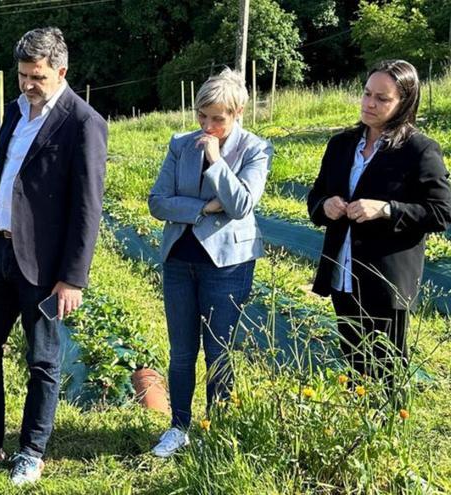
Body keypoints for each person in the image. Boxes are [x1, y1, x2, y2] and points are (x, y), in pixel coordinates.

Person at [0, 27, 107, 485]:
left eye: (37, 76)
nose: (28, 85)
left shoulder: (83, 122)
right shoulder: (14, 113)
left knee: (43, 361)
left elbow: (87, 208)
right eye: (22, 75)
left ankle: (31, 451)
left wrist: (72, 279)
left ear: (61, 71)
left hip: (45, 265)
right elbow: (3, 180)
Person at [147, 68, 273, 457]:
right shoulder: (180, 145)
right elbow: (157, 202)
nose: (207, 125)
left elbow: (239, 205)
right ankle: (179, 427)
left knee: (220, 350)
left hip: (228, 265)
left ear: (237, 114)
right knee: (182, 351)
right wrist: (203, 208)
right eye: (202, 116)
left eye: (218, 118)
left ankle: (216, 427)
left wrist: (217, 161)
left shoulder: (255, 149)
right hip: (179, 260)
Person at [307, 59, 451, 391]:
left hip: (385, 282)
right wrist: (324, 205)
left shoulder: (419, 150)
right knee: (354, 367)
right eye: (367, 93)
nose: (370, 104)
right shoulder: (342, 144)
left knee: (387, 374)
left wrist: (386, 209)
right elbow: (316, 196)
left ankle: (388, 435)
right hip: (342, 273)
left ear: (404, 103)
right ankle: (357, 433)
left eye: (382, 98)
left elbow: (441, 211)